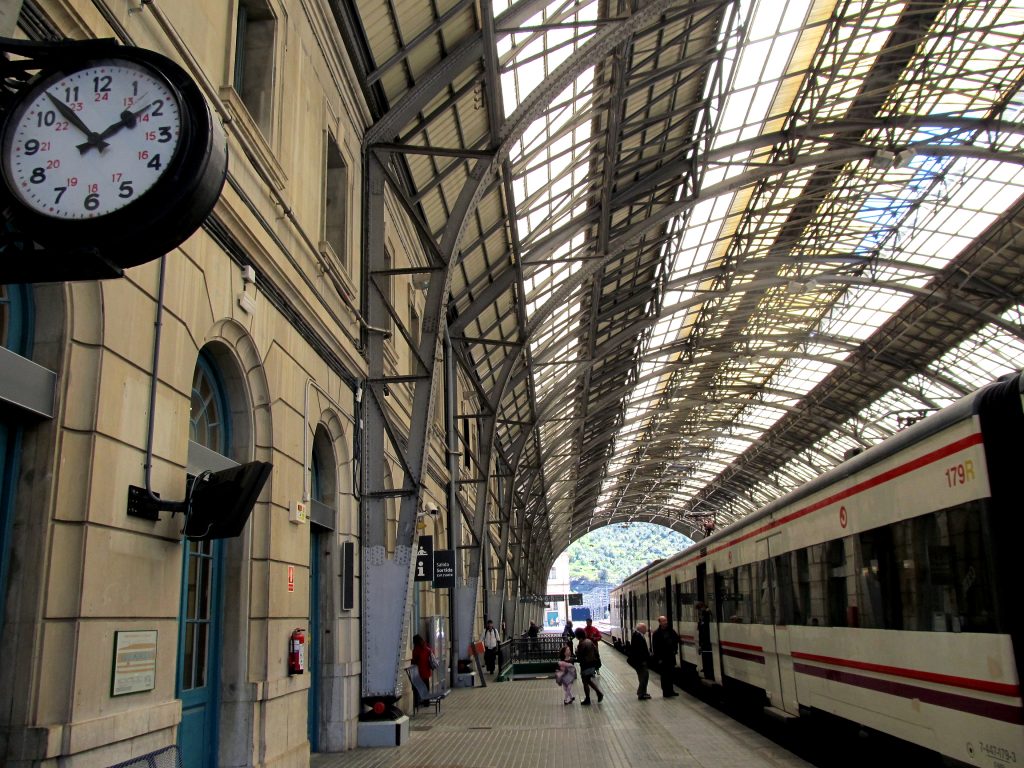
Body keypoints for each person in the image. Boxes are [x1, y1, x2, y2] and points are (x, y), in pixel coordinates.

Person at [573, 628, 604, 705]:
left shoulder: (582, 644)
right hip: (592, 664)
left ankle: (590, 698)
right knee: (588, 680)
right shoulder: (589, 641)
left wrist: (576, 651)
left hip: (585, 665)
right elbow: (596, 651)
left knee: (585, 681)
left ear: (577, 636)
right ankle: (596, 694)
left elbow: (579, 657)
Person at [651, 615, 680, 697]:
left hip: (670, 656)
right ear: (660, 622)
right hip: (662, 658)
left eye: (666, 621)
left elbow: (676, 639)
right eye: (663, 621)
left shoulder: (670, 631)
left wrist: (675, 649)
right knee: (664, 676)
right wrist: (658, 658)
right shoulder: (656, 633)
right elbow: (655, 647)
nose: (665, 622)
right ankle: (666, 692)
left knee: (671, 674)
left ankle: (671, 690)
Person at [628, 622, 651, 699]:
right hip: (640, 661)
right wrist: (643, 660)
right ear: (640, 629)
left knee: (642, 677)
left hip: (639, 661)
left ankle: (643, 693)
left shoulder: (637, 635)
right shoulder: (638, 636)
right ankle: (641, 693)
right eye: (644, 628)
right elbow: (638, 650)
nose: (646, 629)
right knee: (644, 676)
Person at [410, 634, 434, 703]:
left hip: (419, 672)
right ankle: (427, 701)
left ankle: (417, 702)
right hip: (426, 671)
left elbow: (413, 660)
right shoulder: (426, 646)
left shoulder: (417, 649)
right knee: (426, 686)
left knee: (418, 687)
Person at [555, 639, 577, 704]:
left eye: (569, 650)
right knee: (565, 688)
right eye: (568, 650)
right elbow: (558, 668)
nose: (569, 651)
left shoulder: (572, 659)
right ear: (564, 653)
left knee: (569, 687)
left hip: (570, 676)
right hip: (564, 676)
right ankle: (571, 697)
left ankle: (565, 700)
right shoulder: (562, 661)